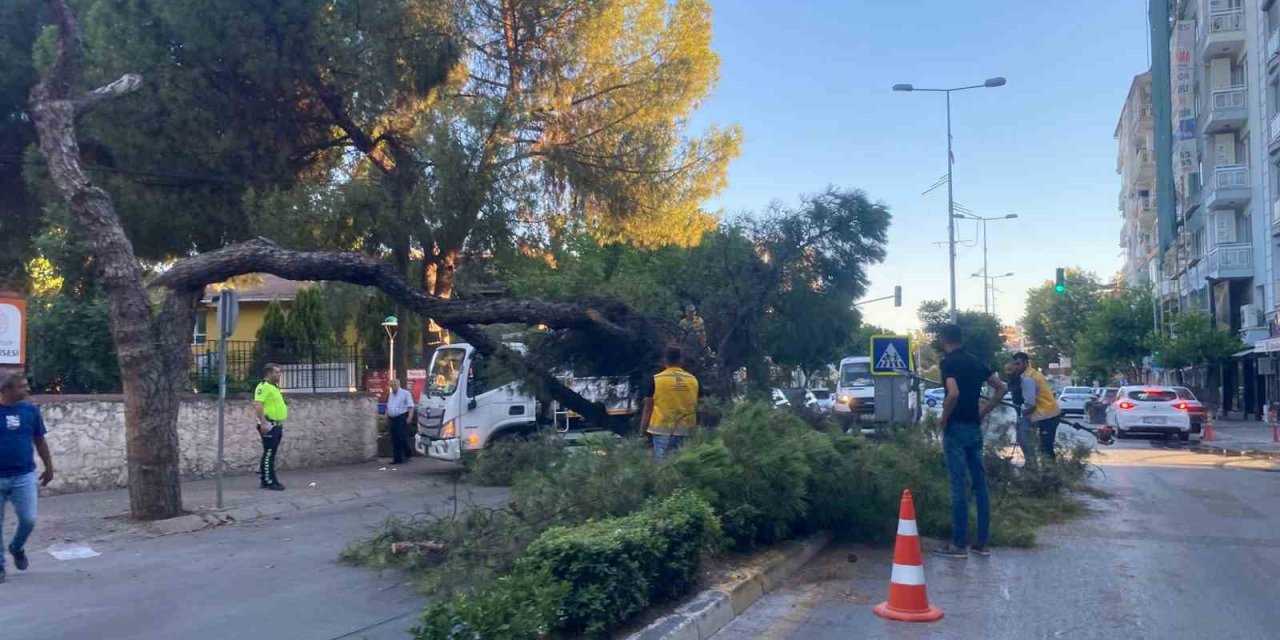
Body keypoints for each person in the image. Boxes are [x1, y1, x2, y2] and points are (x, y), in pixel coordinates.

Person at [934, 324, 1007, 559]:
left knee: (958, 485)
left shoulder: (948, 363)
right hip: (974, 428)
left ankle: (958, 544)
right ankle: (982, 543)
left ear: (944, 339)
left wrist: (944, 417)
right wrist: (983, 412)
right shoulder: (977, 362)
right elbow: (1001, 388)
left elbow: (952, 393)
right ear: (961, 338)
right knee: (979, 484)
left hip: (956, 428)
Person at [0, 372, 54, 584]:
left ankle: (17, 546)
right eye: (22, 386)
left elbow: (40, 440)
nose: (27, 390)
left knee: (29, 519)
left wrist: (49, 467)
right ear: (6, 390)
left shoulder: (30, 411)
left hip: (24, 474)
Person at [640, 346, 699, 460]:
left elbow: (648, 408)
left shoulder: (656, 380)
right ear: (681, 360)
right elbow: (701, 405)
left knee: (665, 471)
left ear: (665, 360)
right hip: (688, 432)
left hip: (663, 432)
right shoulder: (693, 380)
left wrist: (642, 432)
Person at [1010, 352, 1062, 463]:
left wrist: (1021, 416)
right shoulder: (1032, 373)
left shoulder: (1028, 379)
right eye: (1014, 364)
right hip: (1042, 414)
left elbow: (1030, 404)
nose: (1016, 367)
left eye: (1018, 364)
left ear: (1026, 363)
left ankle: (1044, 471)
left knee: (1044, 447)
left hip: (1048, 414)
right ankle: (1036, 468)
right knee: (1039, 444)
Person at [253, 364, 288, 491]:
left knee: (271, 453)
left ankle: (266, 479)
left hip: (276, 425)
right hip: (269, 425)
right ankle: (270, 481)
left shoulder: (273, 387)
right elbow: (258, 405)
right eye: (277, 372)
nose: (279, 374)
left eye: (279, 372)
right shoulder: (263, 387)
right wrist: (263, 423)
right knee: (269, 453)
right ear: (269, 373)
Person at [385, 378, 416, 464]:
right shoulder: (391, 395)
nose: (393, 387)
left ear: (398, 385)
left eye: (394, 385)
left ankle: (407, 454)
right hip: (392, 419)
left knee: (402, 438)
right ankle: (397, 459)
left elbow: (411, 406)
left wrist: (409, 417)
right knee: (394, 439)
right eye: (391, 385)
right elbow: (389, 406)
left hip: (401, 418)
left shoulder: (405, 393)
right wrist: (386, 415)